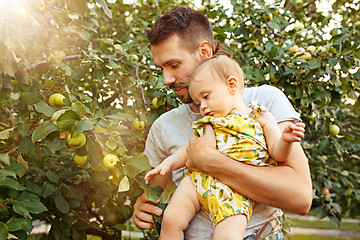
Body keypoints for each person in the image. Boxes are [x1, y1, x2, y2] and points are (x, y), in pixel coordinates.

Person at [133, 6, 312, 239]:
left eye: (174, 65)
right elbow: (153, 192)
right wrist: (141, 207)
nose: (166, 79)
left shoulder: (264, 102)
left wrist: (212, 162)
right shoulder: (163, 127)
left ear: (204, 51)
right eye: (162, 69)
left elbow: (300, 197)